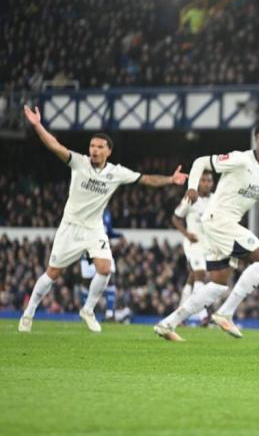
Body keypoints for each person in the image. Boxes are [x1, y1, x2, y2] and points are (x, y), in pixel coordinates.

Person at [18, 105, 188, 333]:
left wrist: (170, 179)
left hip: (94, 228)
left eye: (99, 147)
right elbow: (54, 145)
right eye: (92, 146)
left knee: (105, 268)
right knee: (53, 274)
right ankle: (29, 313)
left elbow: (146, 179)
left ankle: (87, 310)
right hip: (71, 226)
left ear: (109, 151)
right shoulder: (79, 162)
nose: (94, 150)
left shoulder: (116, 173)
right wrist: (38, 125)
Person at [153, 123, 259, 341]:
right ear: (256, 139)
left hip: (221, 224)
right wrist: (192, 187)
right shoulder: (240, 159)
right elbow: (200, 162)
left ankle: (168, 324)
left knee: (217, 285)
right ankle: (225, 312)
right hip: (219, 220)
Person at [171, 171, 214, 325]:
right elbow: (175, 218)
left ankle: (180, 315)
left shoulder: (216, 199)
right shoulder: (191, 197)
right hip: (193, 242)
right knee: (200, 274)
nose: (206, 183)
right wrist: (186, 234)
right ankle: (202, 315)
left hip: (208, 244)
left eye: (209, 180)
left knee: (193, 277)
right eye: (203, 180)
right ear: (198, 182)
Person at [79, 209, 122, 320]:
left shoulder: (107, 213)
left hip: (104, 250)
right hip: (89, 252)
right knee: (86, 283)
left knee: (110, 278)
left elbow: (109, 232)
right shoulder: (88, 208)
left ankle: (109, 314)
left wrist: (120, 236)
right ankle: (86, 311)